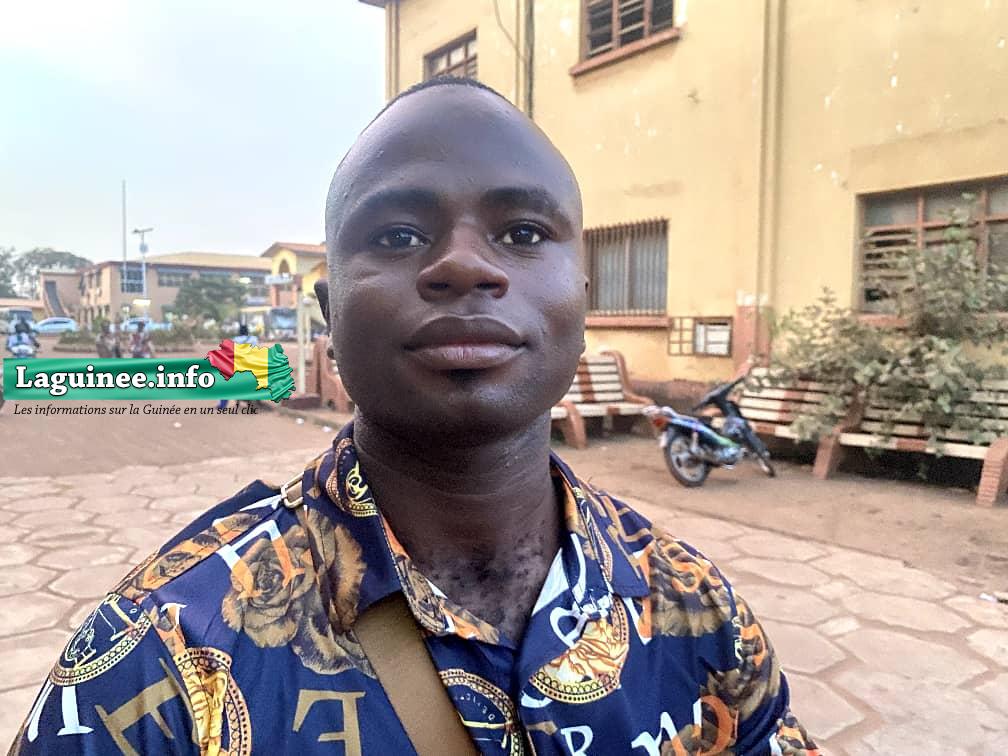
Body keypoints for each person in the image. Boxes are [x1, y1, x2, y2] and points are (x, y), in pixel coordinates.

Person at [10, 78, 818, 755]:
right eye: (398, 235)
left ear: (581, 299)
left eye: (523, 232)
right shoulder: (160, 660)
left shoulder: (693, 605)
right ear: (330, 311)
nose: (464, 263)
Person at [217, 323, 258, 410]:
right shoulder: (254, 339)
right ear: (247, 332)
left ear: (239, 332)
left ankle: (222, 405)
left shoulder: (235, 340)